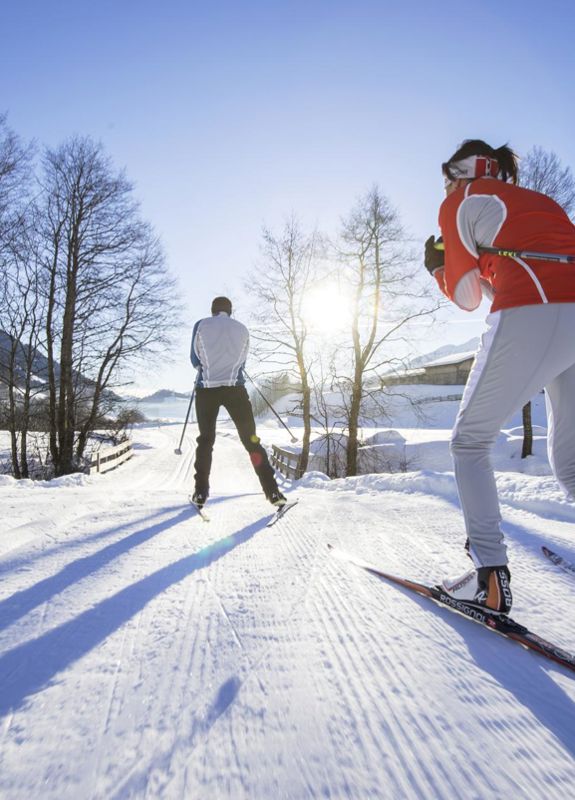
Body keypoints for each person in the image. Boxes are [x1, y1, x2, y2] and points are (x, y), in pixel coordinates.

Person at [424, 139, 575, 614]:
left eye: (446, 177)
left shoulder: (459, 202)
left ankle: (489, 578)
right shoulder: (538, 201)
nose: (444, 187)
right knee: (570, 459)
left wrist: (437, 268)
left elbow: (469, 296)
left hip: (536, 308)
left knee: (469, 442)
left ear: (458, 172)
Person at [190, 296, 286, 509]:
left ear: (212, 309)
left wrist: (208, 368)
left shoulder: (201, 325)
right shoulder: (242, 329)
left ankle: (200, 493)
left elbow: (194, 360)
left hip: (207, 389)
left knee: (206, 441)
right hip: (235, 389)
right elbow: (242, 360)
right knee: (251, 441)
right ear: (230, 311)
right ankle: (273, 491)